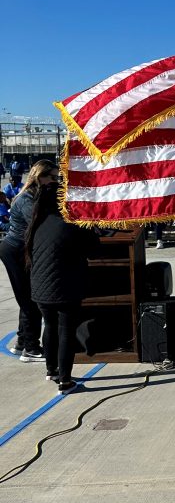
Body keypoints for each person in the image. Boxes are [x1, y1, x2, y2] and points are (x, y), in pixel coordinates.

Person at [27, 181, 101, 393]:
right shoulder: (72, 222)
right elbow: (94, 252)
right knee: (66, 330)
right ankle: (65, 381)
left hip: (41, 286)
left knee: (50, 326)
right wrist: (92, 227)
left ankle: (52, 370)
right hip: (64, 285)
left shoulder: (38, 222)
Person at [0, 159, 58, 361]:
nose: (55, 181)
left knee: (27, 297)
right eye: (52, 177)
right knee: (30, 299)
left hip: (21, 249)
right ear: (40, 177)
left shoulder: (37, 195)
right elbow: (38, 223)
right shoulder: (27, 198)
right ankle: (31, 348)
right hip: (15, 250)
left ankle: (23, 341)